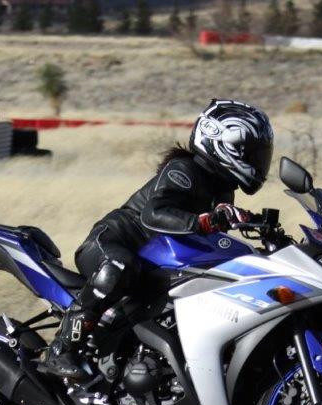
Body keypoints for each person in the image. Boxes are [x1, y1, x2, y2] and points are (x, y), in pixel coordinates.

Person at [37, 99, 274, 380]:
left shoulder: (222, 188)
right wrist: (202, 221)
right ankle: (60, 349)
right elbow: (154, 214)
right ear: (223, 143)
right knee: (121, 266)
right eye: (252, 153)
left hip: (151, 262)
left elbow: (212, 236)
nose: (257, 162)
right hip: (114, 243)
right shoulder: (183, 169)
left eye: (261, 155)